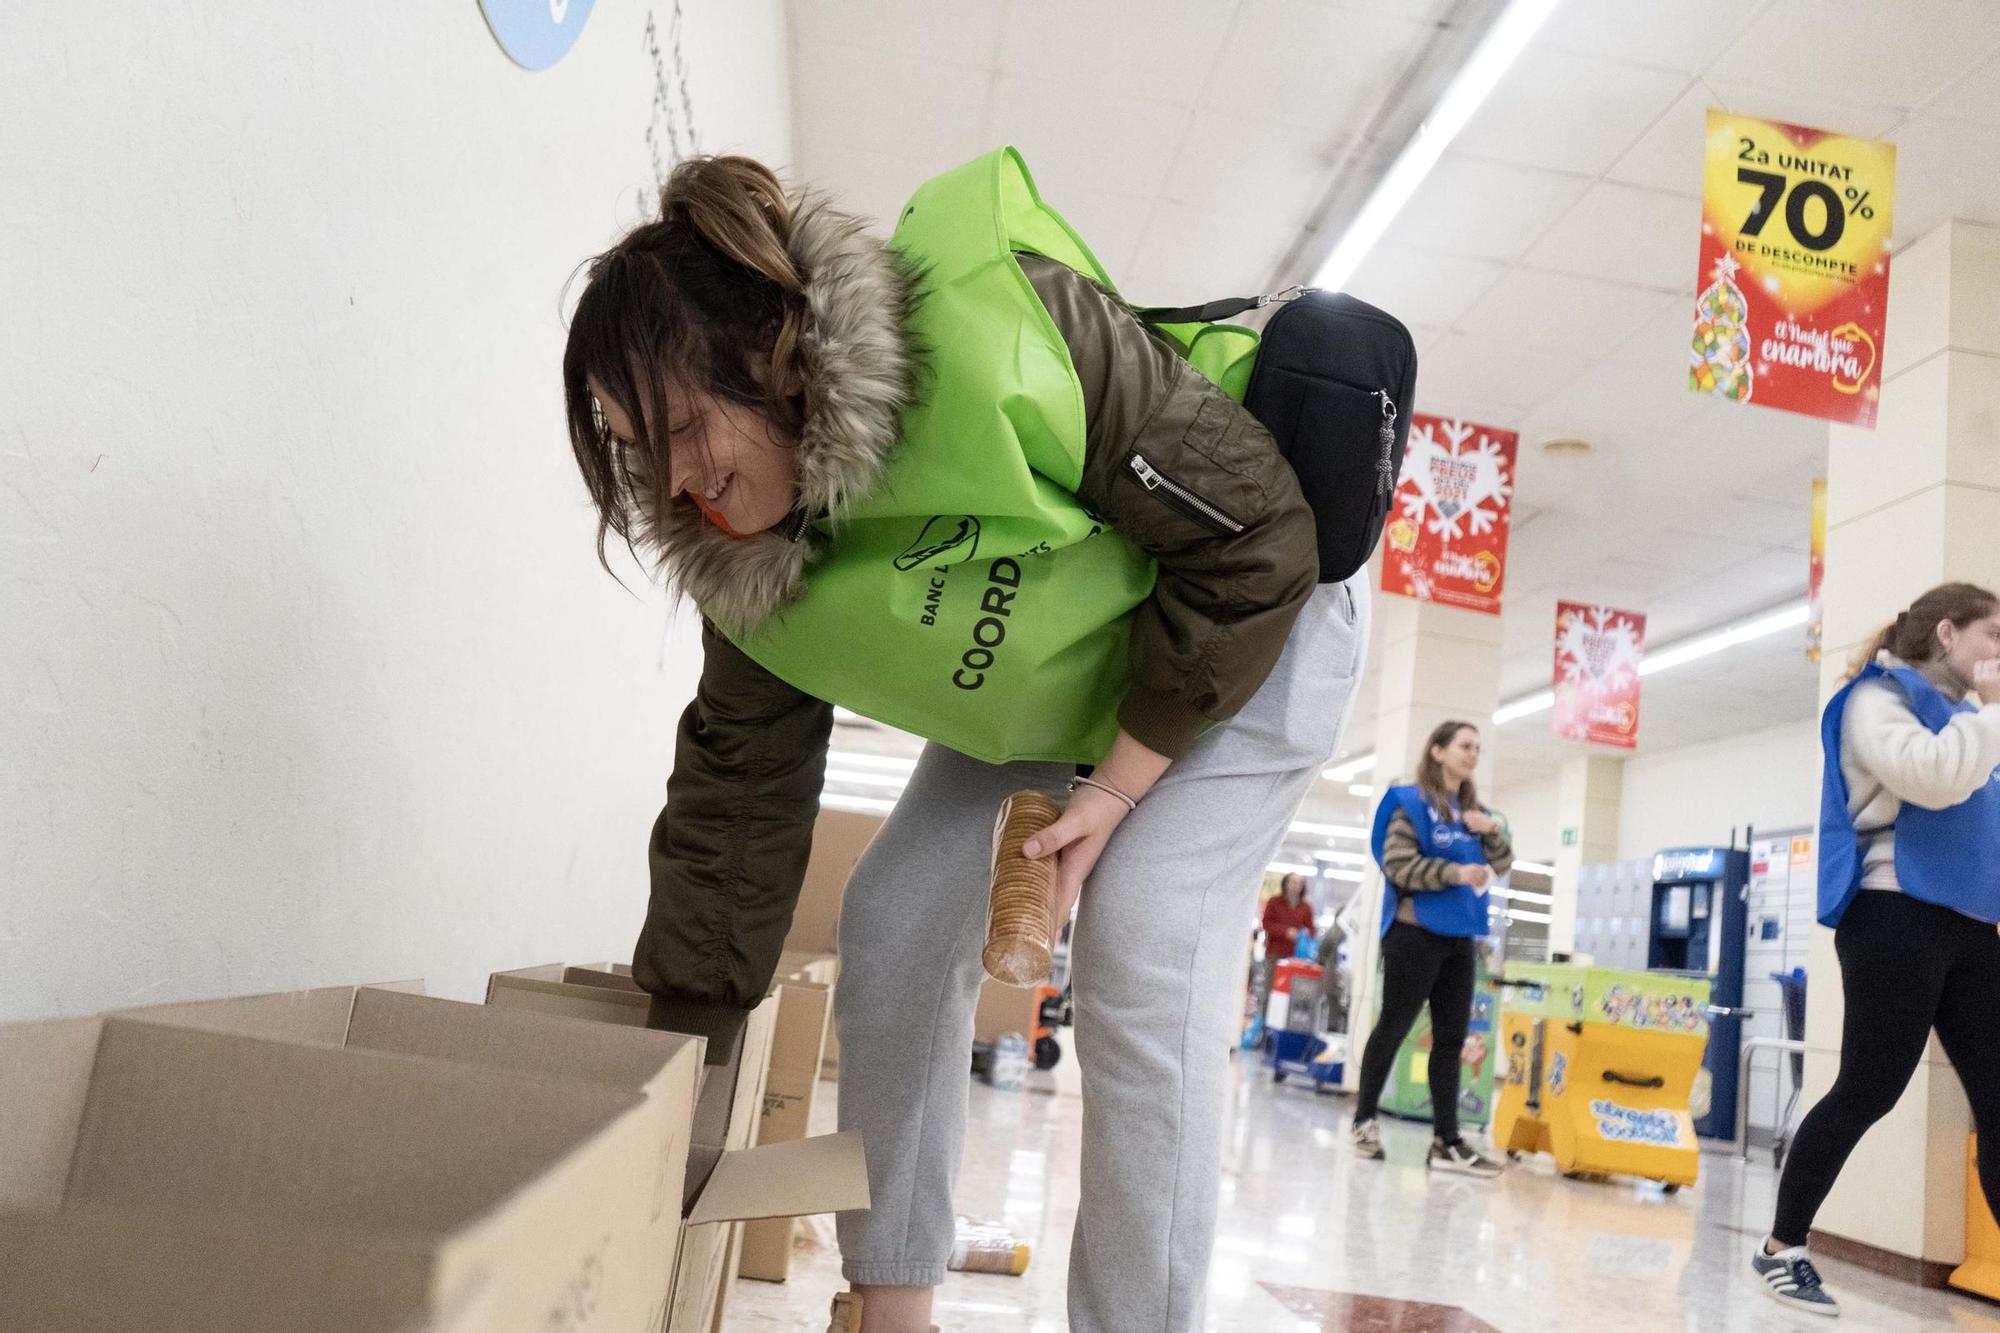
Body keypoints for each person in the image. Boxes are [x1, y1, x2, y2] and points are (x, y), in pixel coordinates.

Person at [560, 149, 1369, 1333]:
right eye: (645, 447)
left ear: (773, 355)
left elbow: (1255, 539)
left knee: (1143, 933)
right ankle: (890, 1304)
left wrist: (1122, 785)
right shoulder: (742, 559)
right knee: (893, 921)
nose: (680, 479)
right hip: (1062, 656)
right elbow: (733, 807)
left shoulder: (1007, 331)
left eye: (687, 424)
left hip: (1250, 612)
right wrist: (681, 1076)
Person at [1751, 582, 2000, 1317]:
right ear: (1949, 634)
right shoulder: (1875, 700)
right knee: (1871, 1085)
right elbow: (1933, 776)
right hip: (1892, 914)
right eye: (1994, 637)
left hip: (1970, 925)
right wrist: (1991, 711)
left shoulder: (1973, 718)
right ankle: (1782, 1247)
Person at [1349, 721, 1510, 1178]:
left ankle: (1447, 1140)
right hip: (1413, 934)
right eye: (1464, 745)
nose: (1472, 753)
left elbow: (1501, 862)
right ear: (1437, 750)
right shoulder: (1410, 804)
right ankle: (1364, 1122)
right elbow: (1398, 864)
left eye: (1478, 747)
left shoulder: (1474, 812)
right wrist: (1455, 874)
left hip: (1461, 938)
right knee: (1395, 1027)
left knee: (1452, 1040)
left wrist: (1492, 828)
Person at [1263, 872, 1316, 962]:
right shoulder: (1274, 902)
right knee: (1273, 976)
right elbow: (1267, 924)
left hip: (1297, 955)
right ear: (1285, 883)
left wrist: (1303, 933)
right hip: (1275, 952)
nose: (1297, 886)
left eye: (1300, 883)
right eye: (1294, 882)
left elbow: (1312, 929)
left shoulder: (1306, 907)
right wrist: (1285, 931)